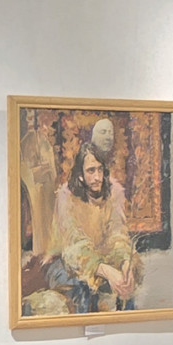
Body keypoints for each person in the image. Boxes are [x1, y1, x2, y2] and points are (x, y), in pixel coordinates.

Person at [46, 135, 142, 314]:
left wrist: (125, 263)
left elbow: (118, 234)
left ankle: (126, 325)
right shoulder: (66, 196)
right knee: (82, 288)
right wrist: (106, 271)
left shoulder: (114, 192)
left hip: (101, 258)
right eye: (91, 171)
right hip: (64, 262)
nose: (97, 177)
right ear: (80, 175)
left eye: (100, 170)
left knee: (127, 282)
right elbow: (74, 246)